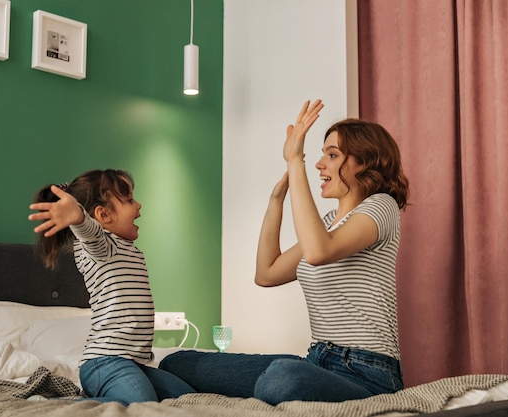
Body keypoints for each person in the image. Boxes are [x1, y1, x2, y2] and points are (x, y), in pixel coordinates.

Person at [159, 99, 409, 404]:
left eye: (332, 155)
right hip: (318, 361)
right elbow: (266, 274)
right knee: (177, 362)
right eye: (321, 155)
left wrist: (295, 161)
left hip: (368, 373)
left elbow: (318, 251)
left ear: (365, 162)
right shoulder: (328, 223)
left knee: (282, 377)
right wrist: (276, 201)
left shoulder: (381, 206)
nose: (320, 164)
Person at [28, 169, 195, 405]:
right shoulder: (102, 249)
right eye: (128, 200)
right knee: (143, 406)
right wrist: (78, 218)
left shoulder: (129, 250)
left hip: (136, 363)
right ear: (103, 215)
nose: (138, 205)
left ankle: (100, 398)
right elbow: (91, 233)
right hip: (104, 362)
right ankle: (54, 405)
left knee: (191, 400)